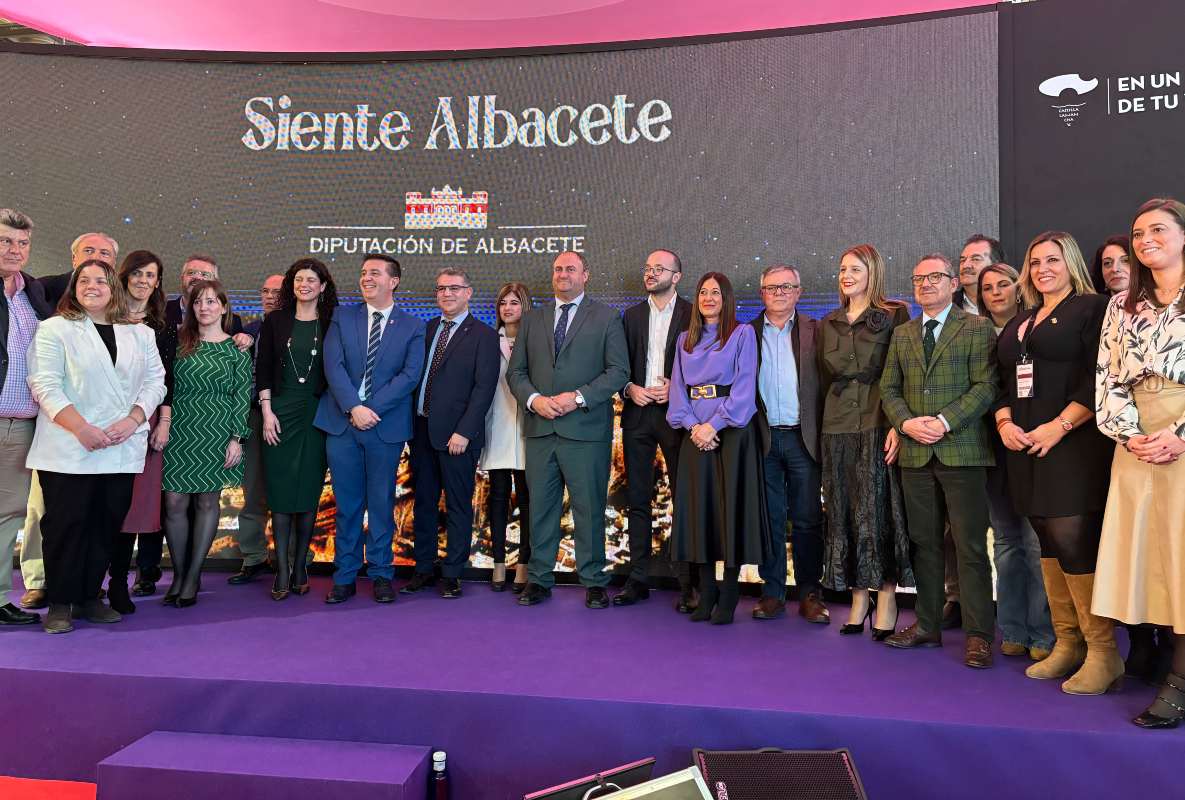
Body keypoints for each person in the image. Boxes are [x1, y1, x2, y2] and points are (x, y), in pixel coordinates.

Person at [992, 233, 1116, 692]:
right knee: (1045, 538)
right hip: (1024, 446)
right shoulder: (1020, 321)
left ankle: (1104, 654)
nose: (1043, 268)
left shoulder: (1091, 309)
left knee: (1072, 541)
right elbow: (1003, 379)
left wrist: (1060, 426)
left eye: (1053, 260)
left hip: (1073, 443)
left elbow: (1099, 377)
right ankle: (1068, 643)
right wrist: (1004, 422)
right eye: (1035, 260)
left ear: (1071, 264)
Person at [25, 260, 166, 633]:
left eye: (100, 280)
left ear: (113, 288)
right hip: (69, 449)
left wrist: (134, 419)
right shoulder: (55, 329)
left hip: (120, 449)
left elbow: (156, 383)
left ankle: (90, 596)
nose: (92, 286)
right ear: (73, 287)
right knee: (65, 527)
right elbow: (45, 385)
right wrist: (81, 429)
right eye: (83, 280)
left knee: (106, 526)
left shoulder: (141, 335)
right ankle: (60, 602)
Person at [880, 254, 998, 669]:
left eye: (935, 278)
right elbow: (889, 388)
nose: (926, 284)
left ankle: (979, 635)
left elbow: (986, 387)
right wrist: (908, 423)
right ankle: (926, 625)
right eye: (919, 279)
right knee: (924, 544)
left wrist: (944, 422)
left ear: (953, 284)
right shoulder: (904, 333)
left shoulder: (977, 329)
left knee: (968, 548)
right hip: (915, 452)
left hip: (962, 449)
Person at [1094, 197, 1185, 728]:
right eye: (1137, 232)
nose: (1145, 238)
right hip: (1135, 443)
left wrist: (1179, 437)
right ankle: (1154, 656)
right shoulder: (1123, 302)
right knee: (1152, 561)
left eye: (1158, 229)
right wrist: (1132, 435)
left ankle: (1180, 678)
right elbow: (1106, 375)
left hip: (1181, 437)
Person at [506, 251, 629, 609]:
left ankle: (593, 581)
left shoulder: (607, 317)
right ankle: (540, 580)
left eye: (570, 269)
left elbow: (618, 371)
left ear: (585, 275)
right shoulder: (533, 319)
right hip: (541, 428)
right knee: (540, 509)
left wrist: (576, 398)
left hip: (585, 431)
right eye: (558, 269)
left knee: (589, 509)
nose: (563, 274)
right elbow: (516, 373)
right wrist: (534, 401)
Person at [18, 230, 121, 609]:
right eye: (89, 252)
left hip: (109, 439)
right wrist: (78, 425)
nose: (97, 259)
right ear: (74, 258)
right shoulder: (43, 293)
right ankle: (41, 582)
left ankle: (85, 591)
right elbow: (44, 377)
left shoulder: (125, 316)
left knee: (96, 518)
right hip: (60, 429)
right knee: (47, 513)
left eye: (105, 254)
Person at [315, 255, 425, 605]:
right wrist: (354, 407)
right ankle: (345, 576)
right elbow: (332, 365)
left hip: (384, 427)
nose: (366, 278)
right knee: (346, 506)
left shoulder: (412, 325)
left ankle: (380, 574)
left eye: (374, 273)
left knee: (381, 505)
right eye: (363, 273)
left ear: (393, 281)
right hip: (342, 424)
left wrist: (371, 410)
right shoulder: (341, 317)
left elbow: (410, 375)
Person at [817, 245, 913, 639]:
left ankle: (887, 596)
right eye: (842, 269)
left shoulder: (894, 314)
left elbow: (905, 374)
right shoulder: (828, 322)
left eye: (855, 268)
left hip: (879, 420)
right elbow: (823, 380)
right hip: (836, 425)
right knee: (842, 510)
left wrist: (899, 425)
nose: (846, 275)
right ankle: (859, 597)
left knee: (881, 510)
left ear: (872, 271)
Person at [667, 272, 767, 624]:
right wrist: (695, 427)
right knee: (701, 514)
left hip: (731, 433)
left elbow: (743, 389)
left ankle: (728, 594)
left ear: (726, 299)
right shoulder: (684, 340)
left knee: (730, 511)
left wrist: (714, 425)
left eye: (716, 292)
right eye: (703, 292)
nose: (709, 298)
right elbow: (678, 391)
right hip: (695, 434)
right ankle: (706, 592)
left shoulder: (742, 335)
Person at [402, 268, 498, 599]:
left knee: (457, 506)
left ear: (469, 293)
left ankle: (453, 574)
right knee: (424, 504)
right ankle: (423, 569)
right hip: (422, 431)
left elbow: (484, 390)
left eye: (454, 288)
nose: (447, 294)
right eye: (441, 288)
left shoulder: (484, 336)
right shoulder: (426, 329)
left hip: (458, 437)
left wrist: (465, 432)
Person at [977, 263, 1054, 662]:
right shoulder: (973, 332)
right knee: (1006, 542)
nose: (995, 292)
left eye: (1003, 284)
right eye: (987, 287)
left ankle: (1043, 634)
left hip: (1032, 444)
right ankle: (1012, 628)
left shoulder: (1037, 328)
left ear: (1018, 287)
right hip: (992, 448)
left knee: (1034, 542)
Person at [161, 280, 252, 608]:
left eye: (212, 302)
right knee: (173, 501)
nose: (205, 307)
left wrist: (236, 438)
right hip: (179, 428)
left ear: (224, 308)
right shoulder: (178, 340)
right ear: (189, 306)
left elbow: (242, 396)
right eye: (198, 302)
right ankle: (181, 573)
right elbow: (164, 383)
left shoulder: (237, 348)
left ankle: (192, 576)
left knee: (206, 502)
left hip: (217, 430)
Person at [618, 249, 695, 611]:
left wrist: (677, 387)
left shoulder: (693, 313)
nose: (650, 273)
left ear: (676, 276)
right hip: (637, 413)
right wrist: (628, 388)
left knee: (685, 498)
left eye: (658, 268)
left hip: (677, 416)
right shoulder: (630, 316)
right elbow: (616, 364)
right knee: (637, 499)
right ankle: (638, 579)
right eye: (647, 268)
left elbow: (709, 363)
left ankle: (687, 582)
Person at [750, 265, 827, 625]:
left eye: (787, 287)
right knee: (770, 518)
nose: (779, 293)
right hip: (764, 438)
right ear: (761, 293)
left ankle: (810, 593)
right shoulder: (745, 333)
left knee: (808, 519)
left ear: (799, 292)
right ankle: (772, 592)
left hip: (802, 437)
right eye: (771, 287)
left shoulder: (817, 330)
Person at [257, 260, 337, 600]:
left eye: (311, 279)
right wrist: (266, 412)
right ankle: (283, 569)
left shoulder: (334, 322)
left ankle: (301, 564)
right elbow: (261, 371)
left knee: (307, 492)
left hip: (318, 414)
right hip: (279, 412)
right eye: (298, 279)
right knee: (279, 494)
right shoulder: (275, 321)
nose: (304, 284)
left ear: (322, 287)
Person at [106, 250, 177, 615]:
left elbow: (166, 378)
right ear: (124, 276)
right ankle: (88, 583)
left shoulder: (161, 325)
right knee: (97, 504)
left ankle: (119, 582)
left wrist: (161, 422)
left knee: (133, 508)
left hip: (144, 421)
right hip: (97, 421)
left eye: (151, 275)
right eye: (137, 273)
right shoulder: (101, 315)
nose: (143, 280)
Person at [944, 233, 1006, 628]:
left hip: (1006, 433)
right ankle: (956, 597)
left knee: (1008, 528)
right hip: (958, 435)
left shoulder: (1015, 313)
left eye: (977, 259)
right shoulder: (942, 314)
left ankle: (1012, 609)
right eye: (963, 260)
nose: (967, 265)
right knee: (954, 528)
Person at [0, 209, 53, 626]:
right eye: (5, 241)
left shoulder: (33, 292)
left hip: (23, 425)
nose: (14, 250)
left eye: (21, 243)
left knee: (9, 515)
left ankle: (0, 597)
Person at [227, 273, 283, 586]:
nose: (270, 296)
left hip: (288, 417)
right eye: (265, 291)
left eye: (277, 291)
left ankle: (290, 558)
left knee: (288, 489)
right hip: (252, 417)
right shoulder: (248, 331)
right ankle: (253, 556)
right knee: (252, 490)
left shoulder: (302, 330)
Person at [480, 282, 533, 593]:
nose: (508, 308)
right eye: (503, 303)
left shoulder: (535, 343)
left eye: (515, 302)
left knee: (528, 500)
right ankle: (499, 563)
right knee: (498, 498)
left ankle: (524, 564)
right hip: (496, 427)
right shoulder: (488, 342)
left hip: (529, 430)